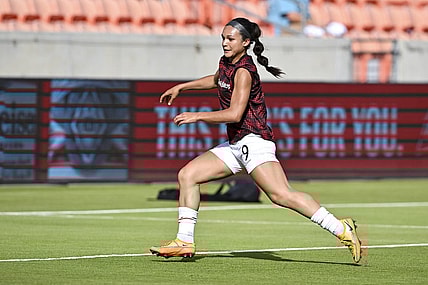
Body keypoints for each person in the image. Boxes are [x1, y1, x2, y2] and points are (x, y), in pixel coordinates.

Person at [150, 17, 362, 263]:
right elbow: (216, 79)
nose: (225, 43)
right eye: (223, 38)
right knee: (188, 175)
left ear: (246, 42)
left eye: (230, 39)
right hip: (236, 143)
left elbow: (234, 114)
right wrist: (183, 87)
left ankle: (342, 229)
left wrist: (198, 116)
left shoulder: (244, 71)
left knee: (282, 195)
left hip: (253, 141)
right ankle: (184, 241)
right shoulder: (228, 63)